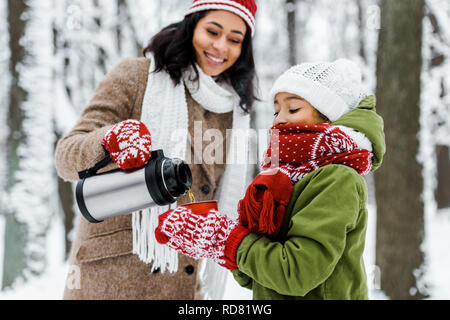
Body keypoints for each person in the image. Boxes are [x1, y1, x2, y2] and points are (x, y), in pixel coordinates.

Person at [55, 0, 258, 300]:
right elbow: (66, 156)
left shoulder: (234, 111)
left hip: (181, 283)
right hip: (111, 278)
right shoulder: (137, 77)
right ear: (192, 27)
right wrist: (111, 141)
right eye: (212, 31)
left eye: (234, 39)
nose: (221, 46)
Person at [155, 59, 386, 299]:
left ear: (329, 117)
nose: (279, 119)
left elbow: (295, 273)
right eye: (276, 110)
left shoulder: (337, 179)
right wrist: (216, 240)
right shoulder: (281, 178)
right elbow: (258, 278)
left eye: (293, 109)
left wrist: (226, 240)